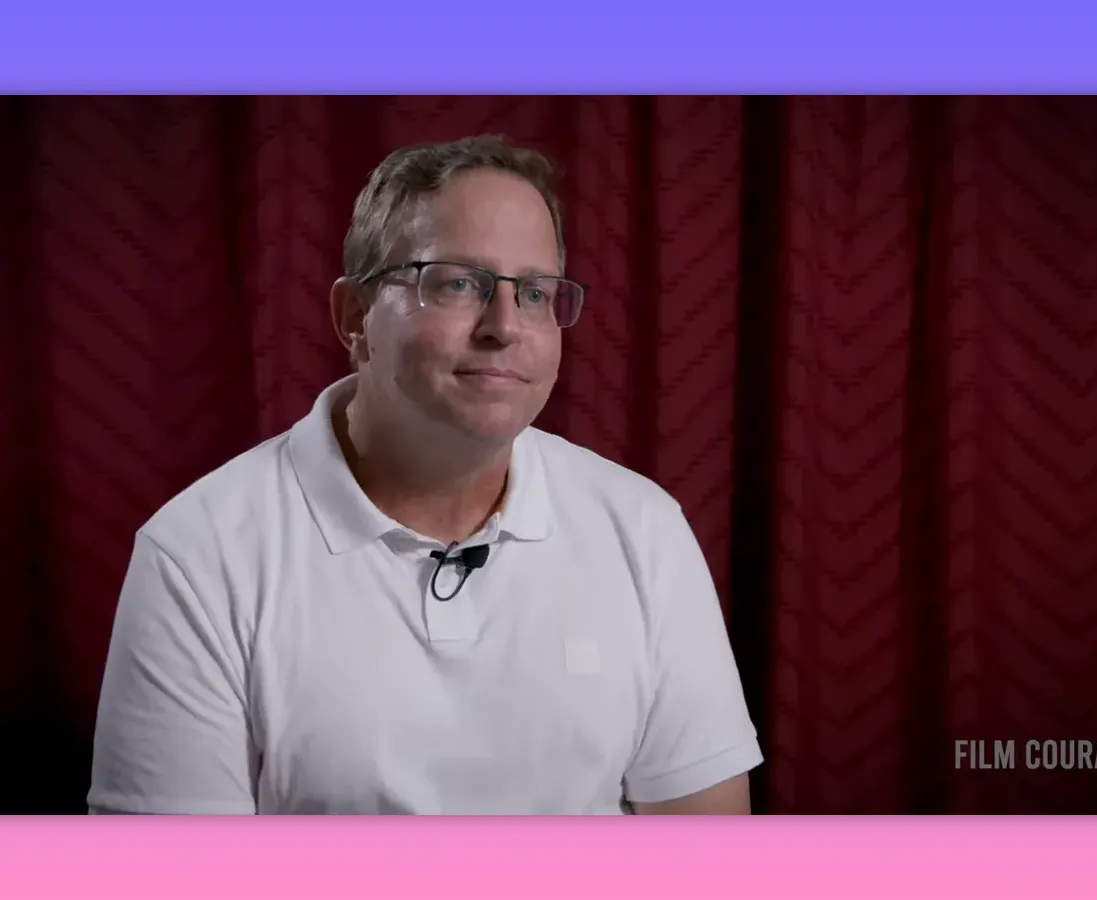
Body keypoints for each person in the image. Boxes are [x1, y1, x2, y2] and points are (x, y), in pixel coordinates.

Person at [87, 134, 763, 815]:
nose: (505, 326)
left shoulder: (642, 527)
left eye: (534, 292)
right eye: (458, 283)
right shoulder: (199, 554)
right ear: (356, 318)